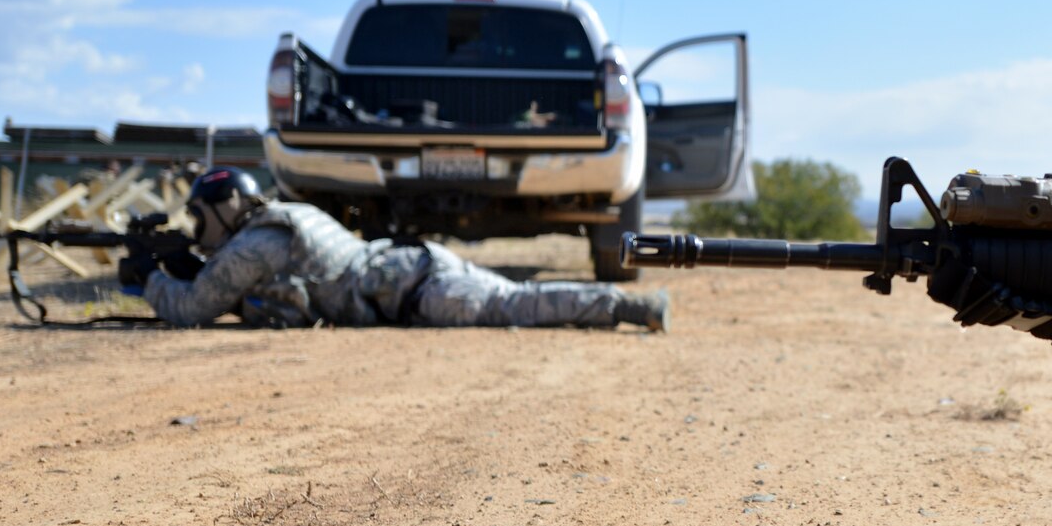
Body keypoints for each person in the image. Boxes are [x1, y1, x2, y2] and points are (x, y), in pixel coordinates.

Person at [129, 168, 669, 332]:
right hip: (417, 270)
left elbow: (193, 309)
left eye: (201, 217)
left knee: (518, 306)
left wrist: (147, 278)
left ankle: (624, 307)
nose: (197, 227)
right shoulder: (280, 223)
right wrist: (181, 266)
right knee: (518, 298)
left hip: (421, 291)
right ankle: (619, 305)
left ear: (223, 208)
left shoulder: (256, 243)